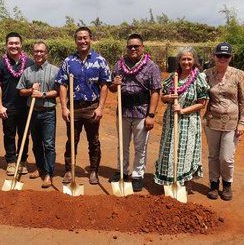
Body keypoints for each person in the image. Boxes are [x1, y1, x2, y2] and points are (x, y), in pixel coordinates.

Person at [55, 26, 112, 185]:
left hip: (92, 107)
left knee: (93, 141)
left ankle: (93, 171)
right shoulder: (68, 61)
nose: (82, 41)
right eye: (79, 38)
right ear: (75, 41)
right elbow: (62, 85)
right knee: (71, 140)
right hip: (73, 107)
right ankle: (69, 170)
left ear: (90, 39)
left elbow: (104, 85)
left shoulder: (100, 61)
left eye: (85, 38)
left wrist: (100, 108)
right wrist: (64, 107)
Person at [108, 34, 161, 192]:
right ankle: (122, 170)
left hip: (142, 111)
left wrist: (151, 115)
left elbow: (155, 91)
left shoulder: (151, 66)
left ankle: (138, 175)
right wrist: (114, 84)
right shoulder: (119, 65)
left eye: (136, 46)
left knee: (140, 146)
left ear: (142, 47)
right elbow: (111, 87)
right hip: (123, 110)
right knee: (122, 144)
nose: (132, 49)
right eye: (130, 46)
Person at [155, 47, 209, 191]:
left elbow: (202, 103)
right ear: (178, 61)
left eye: (189, 59)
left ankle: (186, 183)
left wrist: (182, 110)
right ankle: (170, 182)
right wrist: (167, 97)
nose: (186, 62)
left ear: (194, 61)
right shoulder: (173, 77)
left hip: (189, 121)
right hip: (171, 120)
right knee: (170, 149)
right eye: (183, 59)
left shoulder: (199, 78)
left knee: (186, 152)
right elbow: (163, 97)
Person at [204, 42, 244, 201]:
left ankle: (227, 184)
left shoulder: (239, 74)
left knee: (226, 157)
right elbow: (199, 94)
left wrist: (242, 122)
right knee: (213, 155)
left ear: (230, 57)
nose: (222, 58)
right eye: (219, 55)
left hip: (232, 122)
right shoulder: (206, 74)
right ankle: (214, 184)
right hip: (211, 121)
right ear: (214, 56)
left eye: (226, 56)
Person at [17, 41, 59, 188]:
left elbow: (58, 92)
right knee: (36, 144)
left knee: (49, 144)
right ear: (33, 53)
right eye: (36, 51)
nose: (39, 54)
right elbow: (21, 91)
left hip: (48, 112)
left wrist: (43, 94)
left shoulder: (55, 70)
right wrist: (30, 91)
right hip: (33, 112)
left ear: (46, 53)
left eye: (42, 51)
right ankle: (40, 167)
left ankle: (48, 173)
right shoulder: (28, 71)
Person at [0, 32, 34, 176]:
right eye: (11, 43)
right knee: (9, 135)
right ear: (6, 45)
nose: (14, 46)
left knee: (24, 135)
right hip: (7, 107)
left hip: (26, 107)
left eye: (16, 43)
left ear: (21, 45)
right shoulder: (0, 64)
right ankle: (10, 161)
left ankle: (22, 161)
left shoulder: (29, 63)